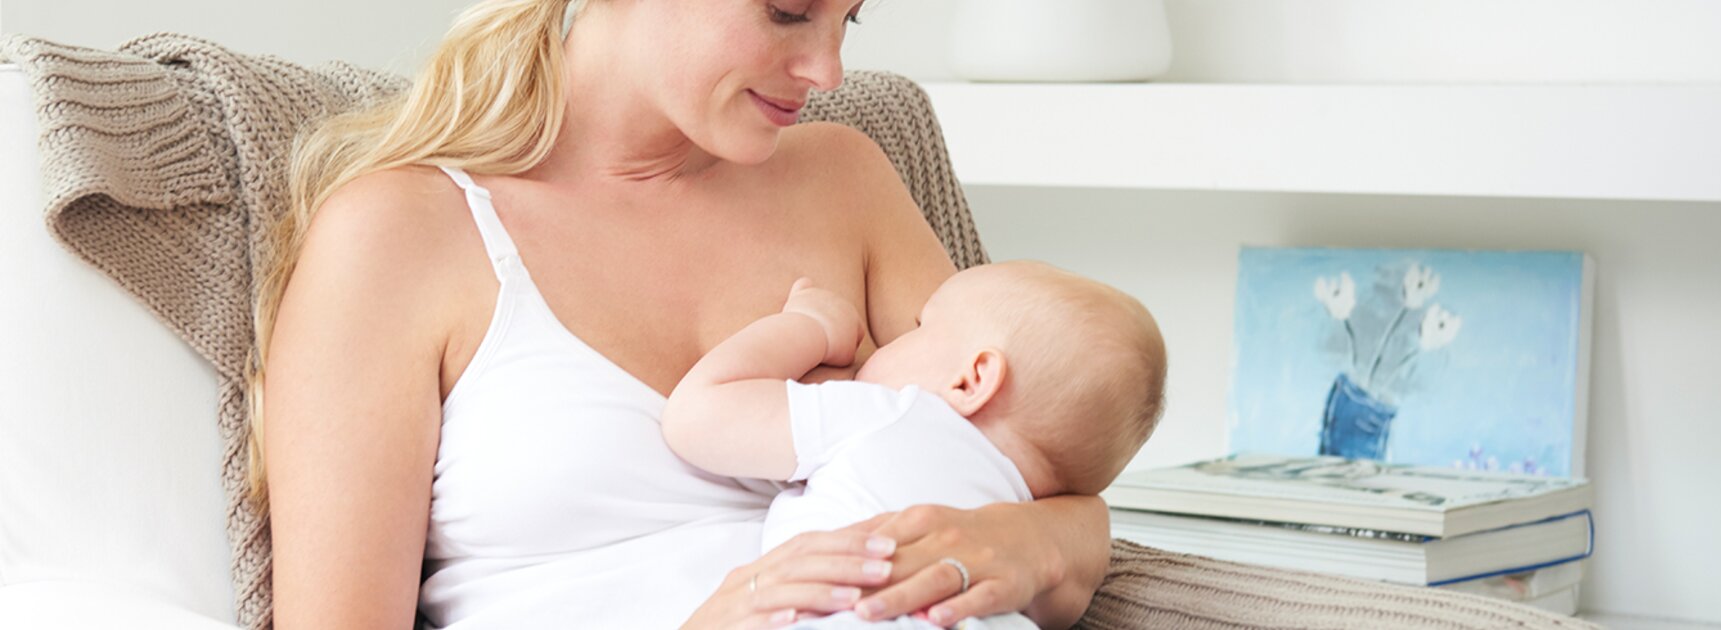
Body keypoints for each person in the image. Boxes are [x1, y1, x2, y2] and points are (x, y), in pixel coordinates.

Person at [251, 0, 1115, 628]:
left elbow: (1054, 478)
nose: (828, 71)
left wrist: (1024, 547)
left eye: (848, 19)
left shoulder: (843, 181)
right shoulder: (397, 235)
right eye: (787, 11)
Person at [659, 261, 1168, 628]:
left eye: (918, 328)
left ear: (972, 380)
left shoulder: (894, 415)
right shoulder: (1016, 515)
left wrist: (811, 327)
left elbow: (696, 417)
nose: (883, 344)